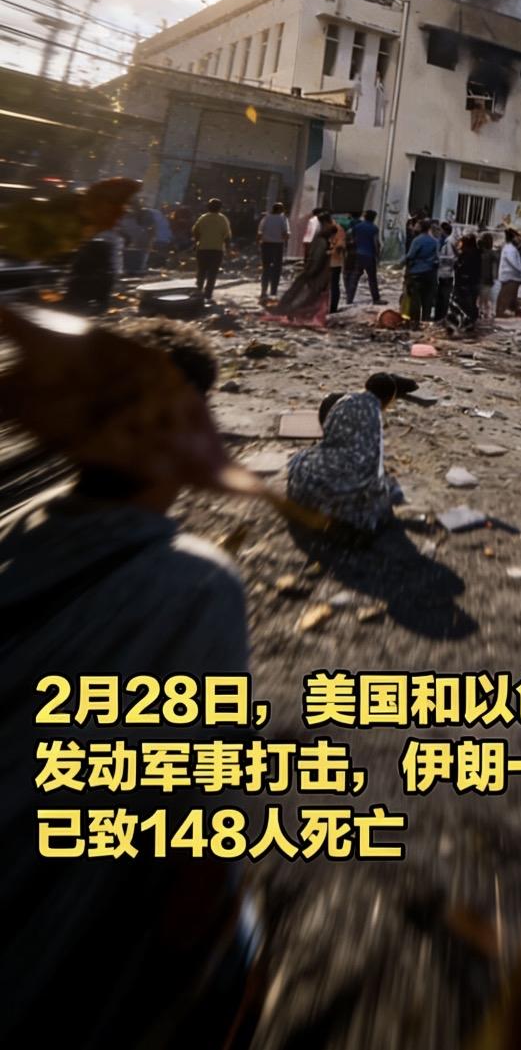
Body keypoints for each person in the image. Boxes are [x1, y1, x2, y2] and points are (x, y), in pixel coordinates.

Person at [0, 310, 264, 1050]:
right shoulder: (195, 584)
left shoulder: (16, 526)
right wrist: (201, 954)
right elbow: (206, 819)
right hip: (63, 951)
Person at [287, 371, 404, 539]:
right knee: (384, 492)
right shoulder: (374, 415)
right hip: (344, 489)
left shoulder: (344, 400)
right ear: (387, 400)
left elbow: (326, 436)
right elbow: (373, 469)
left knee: (301, 459)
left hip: (309, 483)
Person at [271, 212, 332, 327]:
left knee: (302, 294)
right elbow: (317, 260)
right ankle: (291, 313)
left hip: (314, 274)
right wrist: (310, 272)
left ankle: (289, 312)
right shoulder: (322, 241)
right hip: (315, 275)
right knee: (304, 296)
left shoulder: (321, 239)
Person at [193, 197, 231, 301]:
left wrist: (197, 242)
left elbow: (195, 231)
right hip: (217, 250)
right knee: (212, 273)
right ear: (220, 208)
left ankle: (197, 292)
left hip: (203, 249)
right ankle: (208, 295)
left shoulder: (203, 218)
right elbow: (227, 236)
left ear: (208, 207)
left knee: (201, 271)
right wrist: (228, 249)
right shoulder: (223, 219)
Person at [405, 219, 439, 326]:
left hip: (417, 273)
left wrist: (399, 263)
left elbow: (410, 255)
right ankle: (426, 321)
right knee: (427, 299)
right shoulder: (435, 241)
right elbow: (437, 258)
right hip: (430, 273)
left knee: (415, 299)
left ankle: (415, 323)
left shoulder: (417, 240)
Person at [345, 208, 381, 305]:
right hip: (369, 255)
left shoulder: (357, 227)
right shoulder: (374, 228)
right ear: (373, 218)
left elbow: (350, 236)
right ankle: (376, 299)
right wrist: (378, 255)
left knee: (354, 276)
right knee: (372, 278)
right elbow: (376, 243)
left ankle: (349, 298)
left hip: (358, 253)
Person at [257, 199, 289, 305]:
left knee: (266, 269)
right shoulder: (283, 218)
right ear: (281, 210)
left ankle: (263, 291)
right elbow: (286, 233)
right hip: (277, 246)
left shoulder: (266, 218)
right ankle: (273, 292)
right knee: (276, 269)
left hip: (266, 245)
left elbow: (259, 232)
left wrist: (259, 244)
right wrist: (286, 243)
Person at [453, 232, 482, 328]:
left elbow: (460, 266)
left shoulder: (466, 253)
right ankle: (472, 320)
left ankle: (466, 321)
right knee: (472, 302)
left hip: (464, 282)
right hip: (474, 281)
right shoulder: (478, 252)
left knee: (464, 302)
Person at [496, 228, 521, 317]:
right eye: (517, 237)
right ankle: (501, 312)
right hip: (510, 275)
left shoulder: (511, 248)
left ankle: (510, 309)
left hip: (512, 275)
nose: (518, 239)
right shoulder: (510, 249)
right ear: (513, 238)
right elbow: (513, 262)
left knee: (510, 295)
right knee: (506, 295)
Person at [434, 222, 458, 322]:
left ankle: (441, 317)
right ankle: (439, 317)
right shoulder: (447, 241)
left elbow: (451, 258)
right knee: (441, 296)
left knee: (443, 297)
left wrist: (438, 258)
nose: (439, 232)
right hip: (444, 273)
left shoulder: (448, 242)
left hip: (446, 273)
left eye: (440, 230)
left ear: (444, 231)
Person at [326, 214, 347, 314]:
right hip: (333, 262)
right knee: (332, 285)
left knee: (333, 286)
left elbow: (340, 246)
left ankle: (332, 308)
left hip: (333, 262)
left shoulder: (337, 230)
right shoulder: (336, 229)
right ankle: (330, 308)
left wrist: (330, 251)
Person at [478, 231, 498, 322]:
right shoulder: (492, 254)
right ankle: (486, 314)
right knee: (486, 299)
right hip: (487, 279)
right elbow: (494, 268)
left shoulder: (478, 252)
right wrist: (494, 278)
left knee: (480, 299)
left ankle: (480, 313)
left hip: (478, 278)